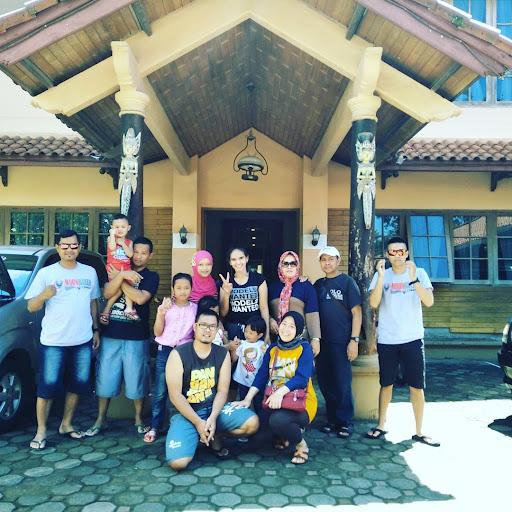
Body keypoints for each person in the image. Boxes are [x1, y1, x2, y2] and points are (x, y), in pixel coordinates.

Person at [26, 229, 101, 450]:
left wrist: (96, 329)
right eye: (65, 246)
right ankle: (41, 431)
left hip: (82, 340)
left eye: (74, 245)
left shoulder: (89, 272)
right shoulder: (46, 273)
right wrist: (43, 296)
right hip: (54, 342)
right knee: (47, 387)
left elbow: (93, 302)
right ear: (58, 248)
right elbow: (31, 307)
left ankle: (66, 424)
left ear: (80, 248)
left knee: (77, 385)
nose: (69, 249)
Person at [367, 236, 439, 447]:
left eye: (401, 252)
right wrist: (381, 277)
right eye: (393, 252)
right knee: (386, 384)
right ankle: (381, 425)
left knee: (416, 386)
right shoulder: (382, 274)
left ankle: (419, 431)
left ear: (406, 253)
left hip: (412, 338)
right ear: (387, 255)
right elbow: (373, 303)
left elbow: (429, 301)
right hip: (388, 338)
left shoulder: (420, 273)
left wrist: (414, 279)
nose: (397, 255)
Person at [165, 309, 259, 470]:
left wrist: (213, 417)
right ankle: (196, 434)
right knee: (178, 463)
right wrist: (197, 422)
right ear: (195, 327)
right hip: (186, 413)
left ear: (217, 330)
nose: (207, 330)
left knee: (252, 423)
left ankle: (213, 434)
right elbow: (175, 395)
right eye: (203, 325)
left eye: (212, 326)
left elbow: (222, 390)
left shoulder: (222, 353)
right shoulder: (178, 354)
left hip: (212, 409)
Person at [86, 236, 160, 437]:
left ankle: (138, 419)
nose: (139, 256)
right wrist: (121, 275)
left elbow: (140, 298)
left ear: (150, 256)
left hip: (137, 336)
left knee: (138, 379)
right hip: (111, 334)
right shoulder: (116, 266)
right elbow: (107, 293)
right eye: (136, 251)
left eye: (144, 253)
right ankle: (100, 419)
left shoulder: (151, 276)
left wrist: (120, 277)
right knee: (105, 377)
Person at [234, 311, 317, 465]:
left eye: (291, 326)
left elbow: (302, 378)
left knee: (278, 420)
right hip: (276, 401)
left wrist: (280, 392)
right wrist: (247, 399)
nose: (286, 329)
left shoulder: (304, 349)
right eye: (284, 324)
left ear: (298, 331)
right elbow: (262, 375)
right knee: (258, 438)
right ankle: (283, 434)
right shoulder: (273, 348)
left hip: (301, 403)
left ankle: (301, 444)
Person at [313, 246, 362, 438]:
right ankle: (332, 419)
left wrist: (354, 340)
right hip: (322, 342)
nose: (327, 263)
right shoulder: (318, 285)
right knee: (325, 382)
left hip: (342, 342)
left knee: (342, 383)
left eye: (331, 259)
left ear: (338, 260)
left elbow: (357, 313)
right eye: (323, 259)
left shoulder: (347, 282)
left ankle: (345, 421)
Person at [144, 273, 197, 443]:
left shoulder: (195, 309)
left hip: (184, 352)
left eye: (186, 288)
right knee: (161, 391)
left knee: (183, 391)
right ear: (173, 289)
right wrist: (160, 314)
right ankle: (155, 426)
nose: (182, 291)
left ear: (192, 289)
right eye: (179, 288)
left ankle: (180, 425)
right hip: (165, 352)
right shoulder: (167, 307)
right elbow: (157, 332)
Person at [268, 251, 320, 356]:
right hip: (277, 340)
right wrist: (270, 319)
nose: (289, 267)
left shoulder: (305, 286)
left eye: (293, 263)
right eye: (285, 264)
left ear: (297, 266)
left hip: (300, 340)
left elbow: (312, 313)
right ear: (280, 266)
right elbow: (264, 309)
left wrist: (315, 339)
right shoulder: (272, 287)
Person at [219, 247, 270, 343]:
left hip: (255, 330)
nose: (238, 262)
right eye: (234, 259)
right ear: (230, 262)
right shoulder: (226, 282)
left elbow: (263, 308)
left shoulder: (258, 279)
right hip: (234, 329)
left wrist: (267, 334)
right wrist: (227, 293)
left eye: (241, 258)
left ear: (247, 258)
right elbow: (223, 313)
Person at [100, 214, 137, 325]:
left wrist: (123, 244)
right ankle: (106, 310)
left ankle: (129, 308)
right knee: (117, 290)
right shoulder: (111, 239)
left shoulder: (129, 242)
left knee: (128, 287)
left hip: (126, 268)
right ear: (112, 227)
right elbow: (111, 247)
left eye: (123, 227)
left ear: (128, 228)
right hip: (114, 268)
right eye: (116, 227)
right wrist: (112, 235)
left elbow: (130, 254)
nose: (120, 229)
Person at [229, 315, 267, 413]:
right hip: (243, 380)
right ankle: (245, 417)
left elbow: (268, 363)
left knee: (258, 402)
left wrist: (266, 353)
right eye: (246, 331)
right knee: (242, 400)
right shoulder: (242, 344)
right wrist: (234, 347)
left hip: (257, 382)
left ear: (260, 335)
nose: (247, 334)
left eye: (251, 333)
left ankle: (259, 418)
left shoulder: (263, 346)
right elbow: (234, 359)